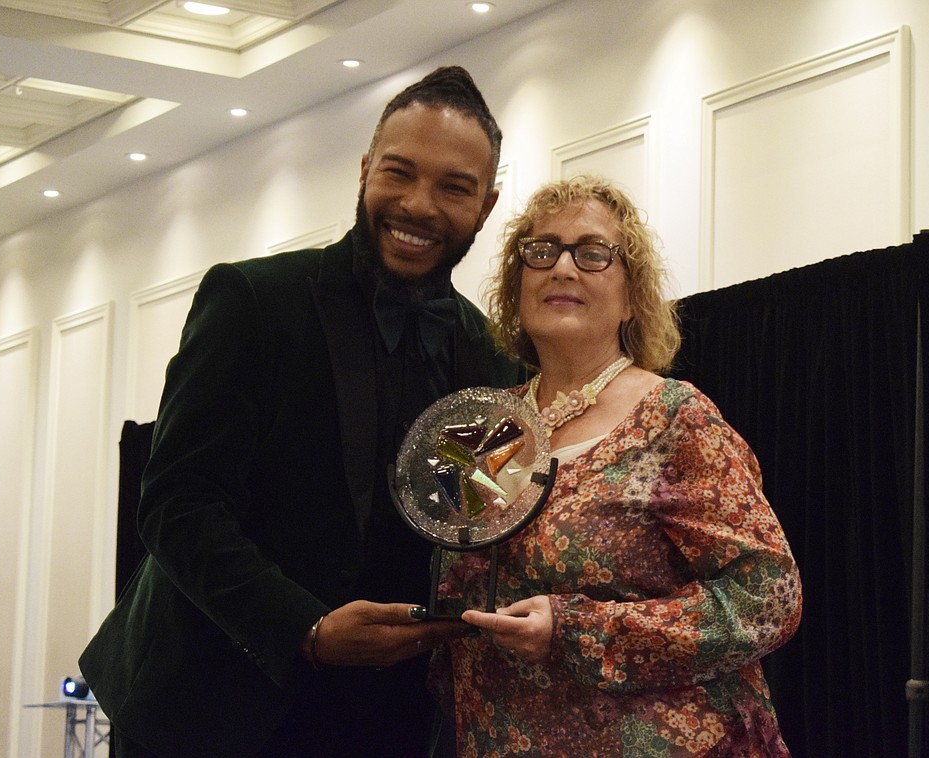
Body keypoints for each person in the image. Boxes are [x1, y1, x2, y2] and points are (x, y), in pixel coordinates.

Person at [78, 66, 524, 757]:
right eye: (399, 173)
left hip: (387, 723)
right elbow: (177, 504)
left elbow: (470, 520)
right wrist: (304, 631)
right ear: (364, 169)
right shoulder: (252, 301)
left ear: (487, 206)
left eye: (453, 188)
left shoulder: (491, 355)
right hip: (214, 705)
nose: (418, 204)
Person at [433, 176, 803, 755]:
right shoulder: (485, 431)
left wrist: (577, 631)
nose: (561, 267)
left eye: (592, 253)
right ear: (516, 284)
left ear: (632, 297)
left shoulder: (675, 419)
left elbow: (768, 598)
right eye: (542, 250)